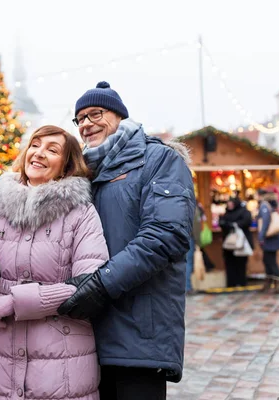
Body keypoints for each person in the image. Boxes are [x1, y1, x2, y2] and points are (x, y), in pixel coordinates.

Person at [57, 81, 196, 399]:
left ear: (119, 116)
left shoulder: (158, 160)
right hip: (86, 336)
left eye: (96, 113)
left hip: (139, 334)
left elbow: (165, 234)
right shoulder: (81, 175)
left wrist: (101, 284)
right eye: (79, 119)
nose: (86, 123)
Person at [0, 125, 109, 399]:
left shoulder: (82, 213)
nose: (39, 153)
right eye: (35, 144)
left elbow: (89, 286)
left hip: (62, 363)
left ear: (66, 166)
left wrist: (15, 302)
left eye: (52, 149)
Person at [218, 197, 253, 287]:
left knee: (241, 264)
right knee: (230, 264)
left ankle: (241, 282)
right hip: (228, 245)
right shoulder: (226, 213)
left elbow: (246, 221)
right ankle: (231, 283)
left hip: (240, 243)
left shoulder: (244, 212)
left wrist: (233, 225)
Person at [257, 190, 279, 294]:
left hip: (270, 239)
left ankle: (276, 285)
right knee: (268, 260)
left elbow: (265, 223)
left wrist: (261, 237)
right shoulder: (272, 205)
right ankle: (270, 284)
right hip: (273, 238)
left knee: (270, 261)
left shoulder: (264, 206)